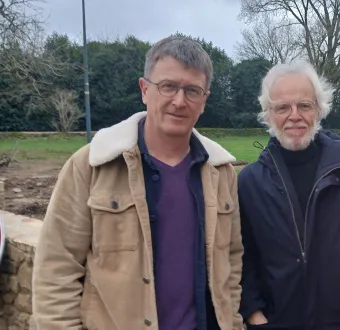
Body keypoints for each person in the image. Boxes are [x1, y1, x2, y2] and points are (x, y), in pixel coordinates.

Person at [31, 36, 244, 330]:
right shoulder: (91, 166)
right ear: (145, 89)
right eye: (167, 86)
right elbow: (56, 268)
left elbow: (231, 262)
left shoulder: (222, 173)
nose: (179, 101)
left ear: (204, 100)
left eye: (192, 90)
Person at [237, 61, 340, 330]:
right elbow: (241, 256)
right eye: (282, 107)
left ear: (319, 109)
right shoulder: (249, 182)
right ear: (268, 114)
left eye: (304, 105)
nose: (294, 115)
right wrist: (254, 313)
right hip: (277, 322)